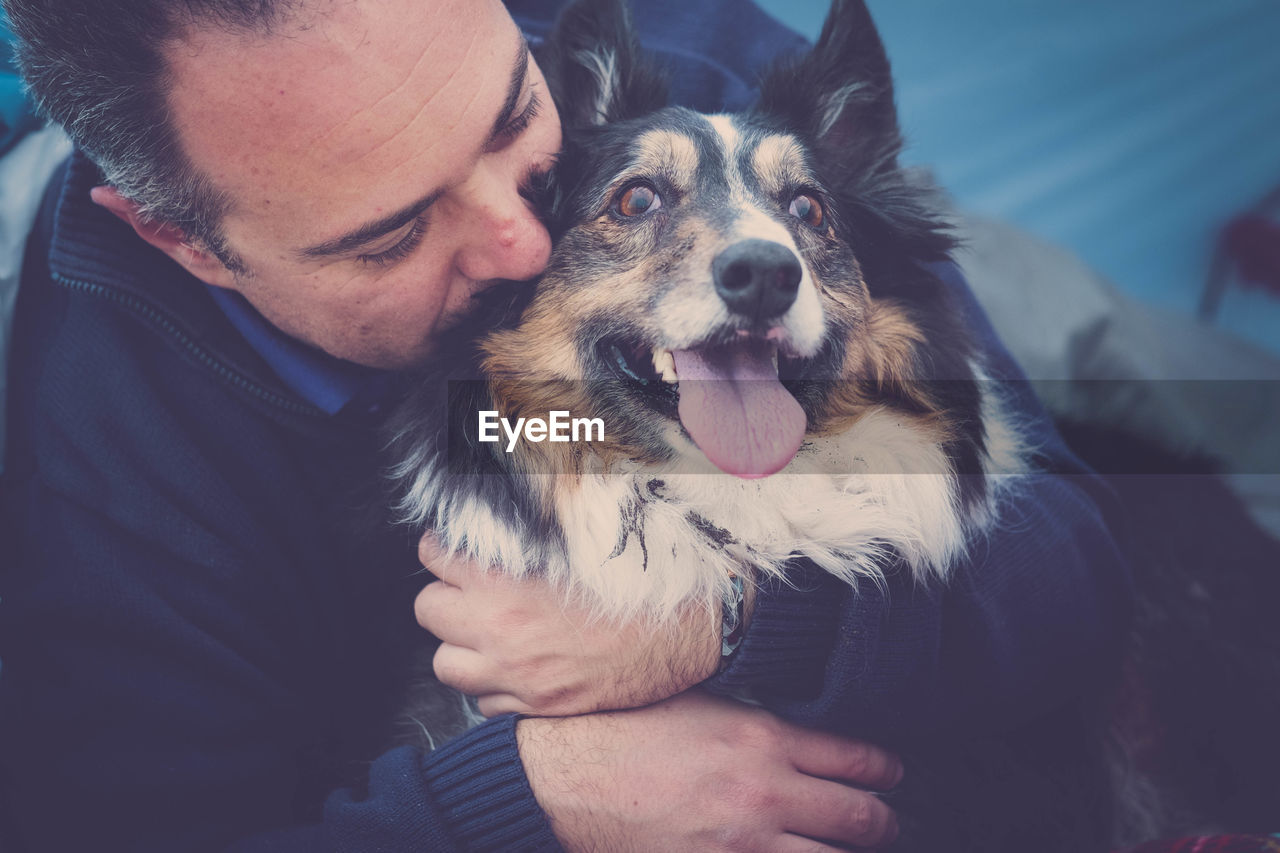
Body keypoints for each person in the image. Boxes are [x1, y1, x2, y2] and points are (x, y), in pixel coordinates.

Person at [0, 0, 1133, 850]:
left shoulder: (692, 59)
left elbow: (1066, 558)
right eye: (390, 235)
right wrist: (517, 800)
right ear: (185, 244)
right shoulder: (106, 456)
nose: (523, 246)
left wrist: (730, 625)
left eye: (513, 125)